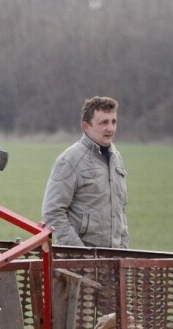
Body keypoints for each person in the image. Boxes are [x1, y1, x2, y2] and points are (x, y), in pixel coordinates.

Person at [41, 96, 129, 248]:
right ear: (86, 126)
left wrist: (124, 248)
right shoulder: (69, 160)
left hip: (114, 260)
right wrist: (81, 254)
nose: (110, 128)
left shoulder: (116, 158)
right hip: (80, 265)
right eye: (104, 123)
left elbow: (121, 210)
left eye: (113, 122)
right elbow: (52, 213)